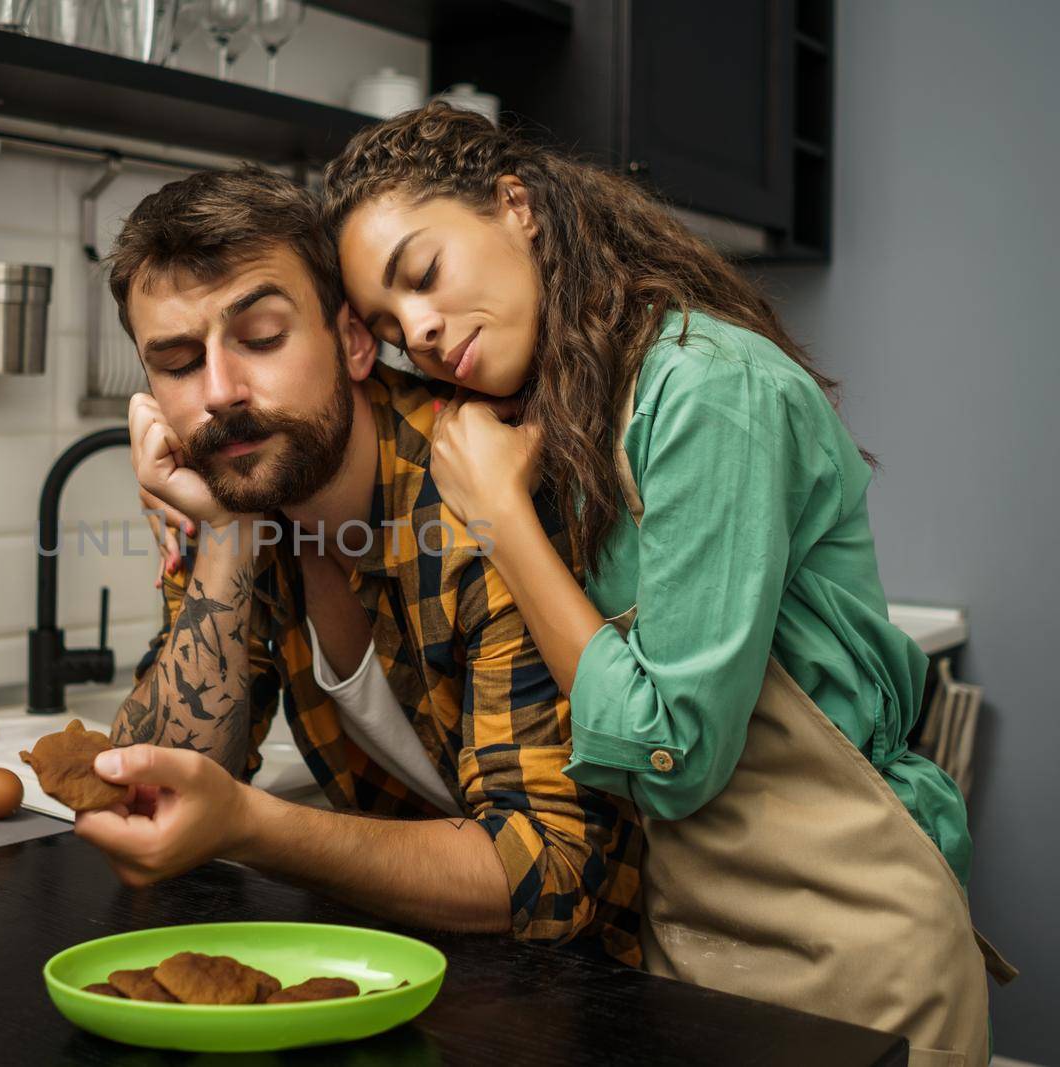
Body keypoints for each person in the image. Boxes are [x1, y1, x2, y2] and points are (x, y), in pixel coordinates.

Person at [319, 102, 1012, 1062]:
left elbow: (674, 754)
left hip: (853, 943)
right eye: (392, 326)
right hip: (687, 943)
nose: (424, 331)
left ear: (516, 205)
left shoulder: (703, 391)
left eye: (424, 275)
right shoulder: (565, 405)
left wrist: (502, 520)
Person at [73, 166, 644, 963]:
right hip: (420, 960)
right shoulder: (239, 485)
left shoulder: (477, 491)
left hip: (617, 989)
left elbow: (552, 869)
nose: (221, 391)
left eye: (263, 338)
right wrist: (227, 534)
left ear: (351, 340)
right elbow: (159, 786)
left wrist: (252, 826)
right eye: (175, 362)